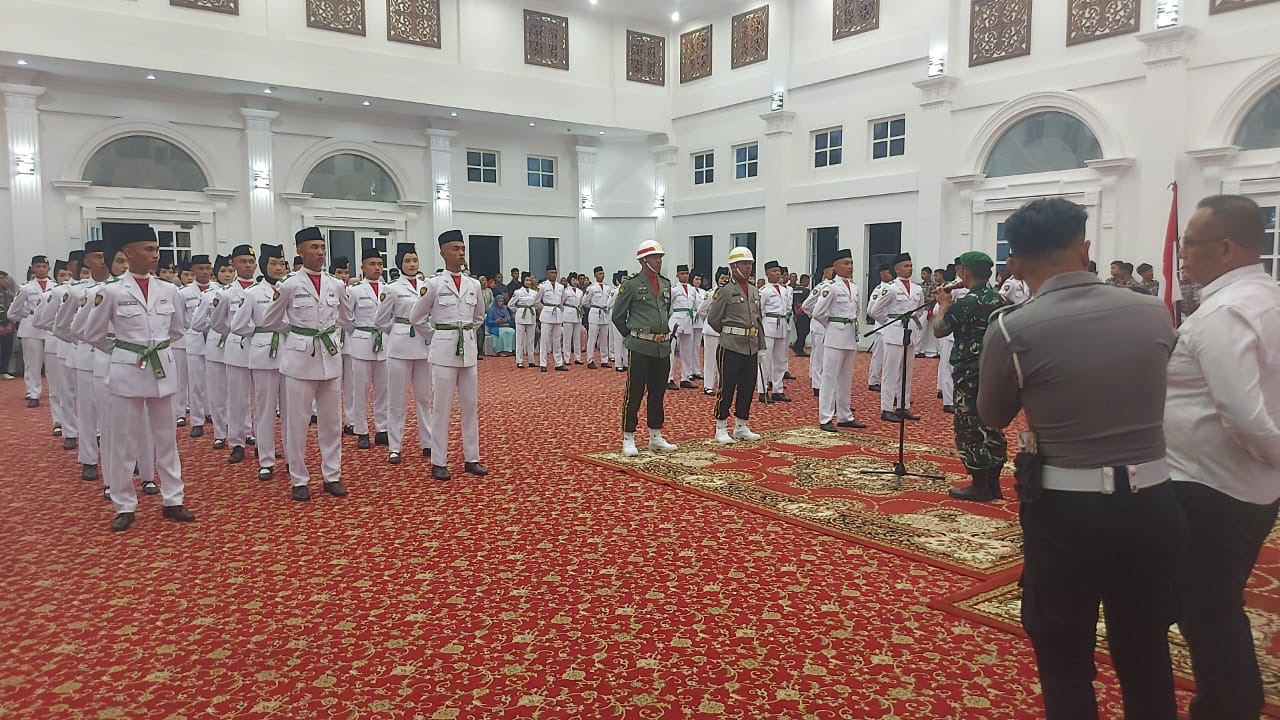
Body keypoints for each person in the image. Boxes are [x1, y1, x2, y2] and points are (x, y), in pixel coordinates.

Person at [978, 198, 1184, 719]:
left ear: (1014, 261)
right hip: (1154, 502)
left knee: (1064, 658)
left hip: (1067, 510)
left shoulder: (1013, 327)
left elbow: (993, 415)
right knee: (1146, 650)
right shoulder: (1150, 310)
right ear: (1085, 246)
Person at [1166, 194, 1280, 720]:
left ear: (1227, 248)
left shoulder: (1224, 312)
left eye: (1189, 243)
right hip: (1243, 485)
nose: (1181, 253)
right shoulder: (1266, 297)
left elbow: (1243, 414)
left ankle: (1228, 707)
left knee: (1208, 611)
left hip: (1211, 488)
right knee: (1207, 603)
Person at [77, 222, 194, 531]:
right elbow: (92, 333)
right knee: (124, 441)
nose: (155, 255)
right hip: (127, 371)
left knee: (166, 439)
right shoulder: (111, 291)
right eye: (149, 249)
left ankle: (173, 498)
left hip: (162, 370)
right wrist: (124, 351)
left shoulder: (169, 290)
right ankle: (124, 503)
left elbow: (178, 329)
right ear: (128, 253)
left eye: (156, 249)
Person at [263, 227, 353, 501]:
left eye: (322, 247)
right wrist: (297, 333)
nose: (320, 252)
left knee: (332, 422)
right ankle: (299, 478)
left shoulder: (335, 284)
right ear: (300, 251)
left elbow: (347, 317)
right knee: (298, 422)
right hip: (300, 361)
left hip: (330, 358)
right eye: (313, 247)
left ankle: (332, 475)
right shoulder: (289, 284)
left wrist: (328, 332)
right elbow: (270, 320)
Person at [409, 230, 487, 480]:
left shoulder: (473, 284)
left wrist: (465, 334)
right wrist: (437, 336)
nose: (461, 253)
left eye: (462, 248)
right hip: (443, 352)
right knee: (441, 408)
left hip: (468, 352)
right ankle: (439, 460)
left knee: (470, 406)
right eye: (455, 248)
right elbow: (416, 317)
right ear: (443, 252)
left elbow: (479, 317)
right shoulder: (433, 284)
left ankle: (472, 458)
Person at [931, 251, 1008, 502]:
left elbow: (939, 330)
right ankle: (994, 483)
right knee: (992, 425)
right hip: (996, 371)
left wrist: (944, 304)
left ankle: (980, 484)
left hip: (970, 373)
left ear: (965, 272)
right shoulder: (1002, 299)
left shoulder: (967, 303)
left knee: (969, 428)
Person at [228, 243, 289, 481]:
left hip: (290, 352)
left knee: (291, 412)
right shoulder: (253, 293)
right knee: (264, 410)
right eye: (273, 263)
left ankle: (292, 457)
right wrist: (259, 332)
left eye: (281, 263)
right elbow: (238, 325)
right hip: (264, 355)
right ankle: (266, 459)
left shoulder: (291, 288)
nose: (278, 268)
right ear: (264, 265)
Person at [612, 239, 678, 457]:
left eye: (660, 257)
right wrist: (633, 337)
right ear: (643, 260)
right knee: (635, 393)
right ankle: (629, 436)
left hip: (662, 347)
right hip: (640, 347)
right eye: (654, 257)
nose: (659, 261)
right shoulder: (631, 284)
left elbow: (665, 310)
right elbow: (618, 316)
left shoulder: (665, 284)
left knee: (658, 393)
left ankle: (655, 435)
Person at [374, 243, 432, 465]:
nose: (412, 264)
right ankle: (395, 446)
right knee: (396, 400)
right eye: (407, 261)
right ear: (400, 264)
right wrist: (398, 330)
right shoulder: (392, 288)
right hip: (399, 347)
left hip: (423, 345)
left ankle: (428, 442)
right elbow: (380, 319)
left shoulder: (427, 285)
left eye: (415, 260)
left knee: (424, 398)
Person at [706, 248, 764, 444]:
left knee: (747, 387)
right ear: (734, 266)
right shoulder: (725, 290)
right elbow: (713, 319)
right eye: (744, 263)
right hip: (730, 345)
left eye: (750, 263)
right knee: (727, 387)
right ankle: (721, 426)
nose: (748, 267)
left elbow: (758, 320)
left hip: (750, 346)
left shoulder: (754, 290)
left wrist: (761, 345)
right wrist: (729, 333)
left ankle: (741, 425)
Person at [210, 244, 259, 464]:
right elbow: (216, 323)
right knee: (237, 399)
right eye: (242, 261)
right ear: (234, 264)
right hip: (237, 350)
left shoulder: (263, 290)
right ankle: (236, 442)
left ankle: (259, 439)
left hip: (261, 349)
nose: (247, 266)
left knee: (262, 399)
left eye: (251, 261)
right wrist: (234, 334)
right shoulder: (226, 294)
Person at [812, 249, 868, 432]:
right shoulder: (831, 287)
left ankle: (845, 415)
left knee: (846, 378)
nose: (850, 267)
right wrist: (833, 325)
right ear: (835, 266)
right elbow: (818, 313)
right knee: (829, 378)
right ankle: (825, 417)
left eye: (851, 263)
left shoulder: (854, 287)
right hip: (835, 336)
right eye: (846, 263)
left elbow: (856, 310)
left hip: (850, 336)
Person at [869, 253, 926, 423]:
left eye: (911, 266)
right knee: (891, 371)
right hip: (894, 332)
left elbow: (920, 310)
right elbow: (875, 311)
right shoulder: (891, 288)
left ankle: (903, 405)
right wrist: (889, 322)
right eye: (906, 266)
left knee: (907, 371)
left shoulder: (917, 289)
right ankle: (886, 408)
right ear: (896, 269)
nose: (910, 269)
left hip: (910, 331)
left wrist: (912, 321)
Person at [342, 247, 389, 450]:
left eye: (379, 264)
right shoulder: (354, 290)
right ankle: (361, 430)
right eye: (372, 264)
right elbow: (346, 319)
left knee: (383, 390)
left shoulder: (388, 288)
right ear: (362, 266)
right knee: (360, 390)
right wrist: (358, 333)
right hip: (362, 341)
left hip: (384, 342)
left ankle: (382, 428)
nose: (377, 268)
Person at [10, 254, 53, 408]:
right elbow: (13, 311)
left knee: (52, 363)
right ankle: (33, 393)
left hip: (49, 327)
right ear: (32, 268)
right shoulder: (25, 288)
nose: (41, 269)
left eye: (44, 266)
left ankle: (54, 392)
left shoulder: (55, 286)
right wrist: (28, 314)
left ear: (49, 268)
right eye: (38, 266)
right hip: (31, 327)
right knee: (33, 363)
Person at [178, 255, 214, 438]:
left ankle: (212, 413)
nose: (205, 272)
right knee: (196, 383)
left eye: (207, 268)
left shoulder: (218, 290)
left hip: (215, 339)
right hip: (194, 339)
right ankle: (197, 420)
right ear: (193, 271)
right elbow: (179, 318)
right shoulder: (183, 293)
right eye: (201, 268)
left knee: (215, 382)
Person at [759, 260, 792, 402]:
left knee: (780, 360)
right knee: (765, 360)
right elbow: (759, 310)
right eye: (774, 271)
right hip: (769, 325)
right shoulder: (764, 291)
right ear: (767, 273)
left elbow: (787, 308)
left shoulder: (784, 290)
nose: (777, 273)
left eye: (778, 271)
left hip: (782, 325)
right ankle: (763, 390)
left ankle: (778, 389)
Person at [802, 266, 833, 397]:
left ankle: (824, 382)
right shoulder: (821, 287)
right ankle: (817, 384)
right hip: (820, 325)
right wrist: (815, 316)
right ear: (825, 272)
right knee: (818, 356)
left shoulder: (836, 285)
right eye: (831, 270)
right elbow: (806, 305)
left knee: (828, 356)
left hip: (831, 326)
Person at [668, 264, 698, 390]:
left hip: (688, 321)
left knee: (687, 352)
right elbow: (668, 305)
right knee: (671, 352)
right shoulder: (674, 289)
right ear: (677, 275)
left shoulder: (692, 289)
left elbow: (695, 306)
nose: (685, 276)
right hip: (676, 321)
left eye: (686, 273)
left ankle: (685, 377)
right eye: (682, 273)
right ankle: (669, 378)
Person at [699, 267, 728, 397]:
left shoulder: (730, 293)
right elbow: (701, 310)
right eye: (722, 278)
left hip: (725, 330)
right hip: (711, 330)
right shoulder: (711, 293)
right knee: (710, 359)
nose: (724, 280)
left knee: (724, 360)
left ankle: (722, 385)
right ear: (717, 279)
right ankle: (708, 386)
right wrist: (709, 321)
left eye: (726, 278)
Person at [866, 264, 893, 393]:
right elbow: (871, 310)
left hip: (893, 328)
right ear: (882, 274)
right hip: (882, 328)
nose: (890, 274)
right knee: (879, 355)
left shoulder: (894, 287)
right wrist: (885, 320)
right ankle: (874, 381)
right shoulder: (879, 289)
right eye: (888, 272)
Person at [582, 266, 612, 369]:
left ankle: (604, 360)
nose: (602, 275)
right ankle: (590, 360)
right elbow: (585, 302)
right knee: (592, 338)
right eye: (599, 274)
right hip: (595, 313)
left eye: (603, 273)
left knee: (604, 339)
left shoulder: (608, 287)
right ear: (595, 275)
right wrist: (594, 307)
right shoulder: (591, 288)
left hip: (605, 314)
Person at [537, 265, 565, 372]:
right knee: (544, 340)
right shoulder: (542, 286)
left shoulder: (560, 287)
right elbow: (536, 300)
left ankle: (559, 363)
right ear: (547, 274)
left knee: (557, 340)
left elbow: (561, 301)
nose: (554, 275)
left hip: (557, 314)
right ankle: (543, 363)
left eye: (555, 272)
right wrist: (544, 307)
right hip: (547, 314)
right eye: (551, 273)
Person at [509, 273, 539, 369]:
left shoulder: (534, 293)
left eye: (530, 280)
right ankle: (519, 361)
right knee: (520, 339)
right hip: (521, 316)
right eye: (526, 280)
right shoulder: (518, 292)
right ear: (523, 281)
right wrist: (518, 310)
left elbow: (537, 304)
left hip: (531, 316)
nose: (528, 282)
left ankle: (531, 360)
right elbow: (510, 305)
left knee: (531, 339)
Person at [561, 273, 585, 365]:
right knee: (567, 338)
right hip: (568, 315)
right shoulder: (566, 291)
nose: (575, 282)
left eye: (576, 280)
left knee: (577, 337)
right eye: (573, 280)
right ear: (569, 281)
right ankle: (566, 358)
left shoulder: (580, 292)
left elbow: (581, 303)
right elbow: (561, 302)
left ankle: (577, 357)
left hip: (577, 315)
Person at [791, 273, 812, 357]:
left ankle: (797, 347)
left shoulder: (794, 290)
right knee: (804, 331)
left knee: (800, 332)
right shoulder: (807, 291)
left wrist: (794, 314)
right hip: (804, 314)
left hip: (796, 314)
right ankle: (798, 348)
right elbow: (809, 303)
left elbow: (792, 303)